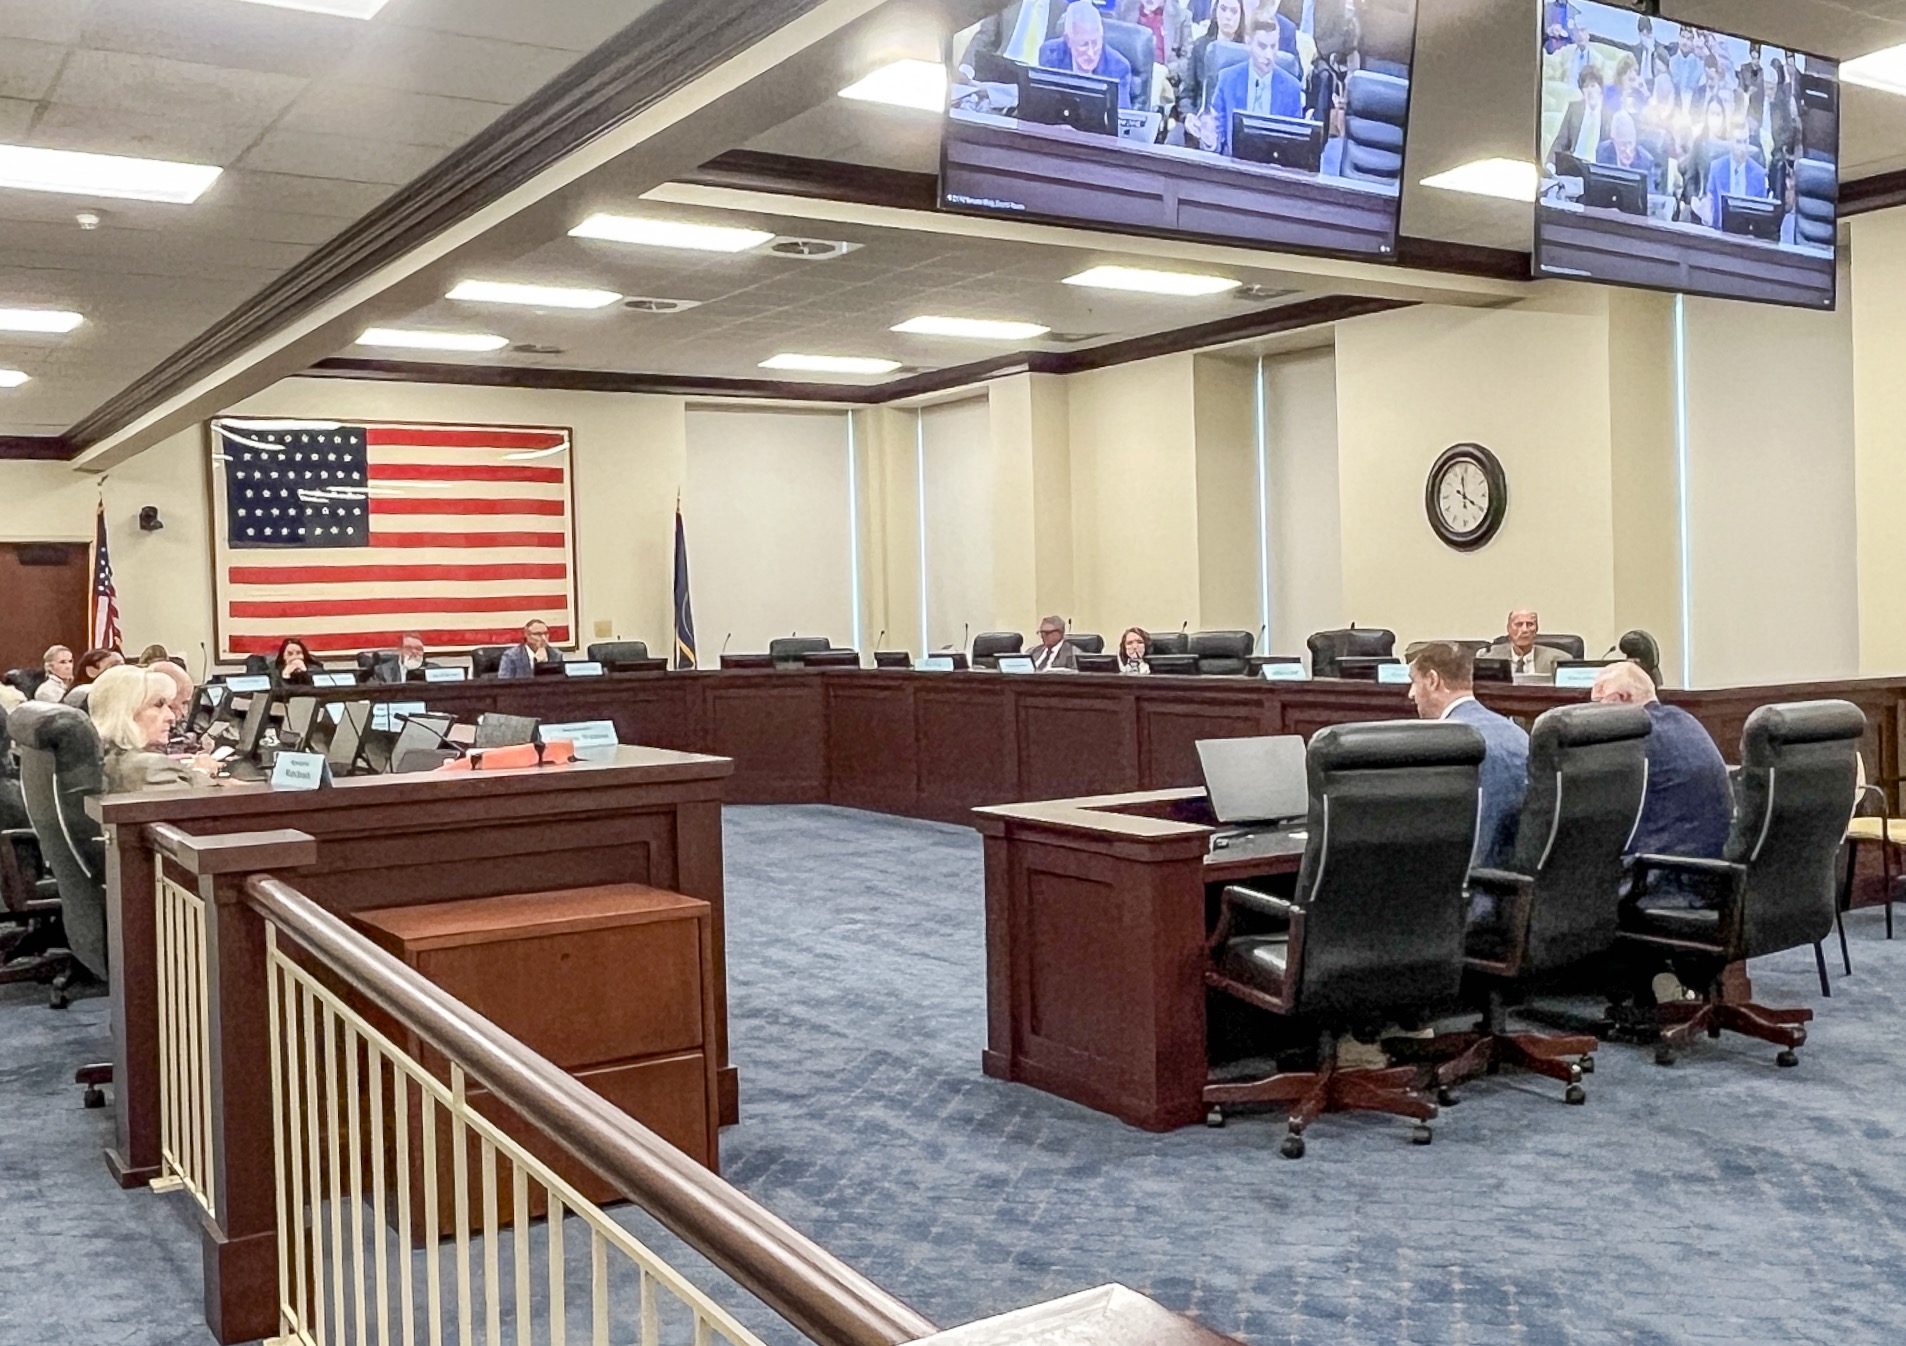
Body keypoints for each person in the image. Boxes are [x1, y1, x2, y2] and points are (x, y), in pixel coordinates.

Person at [1590, 662, 1733, 903]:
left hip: (1663, 882)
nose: (1591, 714)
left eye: (1597, 703)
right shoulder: (1686, 720)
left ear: (1623, 697)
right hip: (1714, 876)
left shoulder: (1635, 737)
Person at [1407, 642, 1528, 870]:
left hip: (1467, 887)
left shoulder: (1445, 743)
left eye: (1414, 682)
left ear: (1433, 680)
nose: (1411, 694)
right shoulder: (1517, 732)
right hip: (1515, 881)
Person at [89, 665, 218, 794]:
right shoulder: (151, 767)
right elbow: (205, 803)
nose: (171, 717)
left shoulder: (102, 757)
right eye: (158, 705)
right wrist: (202, 771)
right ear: (125, 712)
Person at [1206, 10, 1301, 155]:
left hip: (1274, 170)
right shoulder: (1227, 79)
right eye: (1262, 46)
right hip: (1232, 167)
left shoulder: (1292, 88)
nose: (1268, 55)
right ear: (1248, 42)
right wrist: (1209, 139)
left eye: (1273, 46)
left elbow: (1295, 145)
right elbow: (1217, 134)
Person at [1038, 1, 1135, 108]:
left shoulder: (1118, 67)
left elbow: (1121, 117)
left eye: (1095, 43)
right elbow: (1044, 104)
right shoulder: (1051, 54)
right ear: (1068, 40)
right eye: (1083, 45)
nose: (1090, 53)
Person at [1182, 0, 1246, 138]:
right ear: (1215, 12)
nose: (1228, 16)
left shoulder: (1246, 54)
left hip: (1231, 127)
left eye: (1234, 11)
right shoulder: (1200, 46)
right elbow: (1186, 93)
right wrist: (1188, 116)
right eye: (1223, 9)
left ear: (1241, 16)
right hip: (1199, 121)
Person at [960, 0, 1068, 82]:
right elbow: (985, 35)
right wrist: (966, 69)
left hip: (1036, 80)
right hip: (1002, 72)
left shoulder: (1062, 8)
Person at [1114, 0, 1194, 102]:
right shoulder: (1123, 9)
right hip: (1131, 76)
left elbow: (1189, 58)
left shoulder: (1182, 16)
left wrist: (1169, 70)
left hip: (1166, 79)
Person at [1704, 113, 1769, 229]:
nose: (1743, 148)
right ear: (1730, 141)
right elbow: (1711, 205)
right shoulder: (1716, 168)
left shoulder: (1759, 174)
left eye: (1746, 141)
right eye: (1738, 142)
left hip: (1748, 237)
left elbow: (1761, 217)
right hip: (1719, 234)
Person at [1548, 66, 1606, 168]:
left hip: (1596, 169)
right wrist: (1550, 164)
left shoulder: (1609, 115)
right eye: (1586, 87)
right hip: (1573, 164)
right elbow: (1560, 141)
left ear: (1600, 88)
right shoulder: (1574, 109)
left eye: (1593, 86)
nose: (1590, 91)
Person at [1483, 610, 1566, 676]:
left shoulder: (1559, 660)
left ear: (1536, 629)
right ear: (1509, 629)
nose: (1525, 630)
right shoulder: (1490, 658)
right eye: (1519, 624)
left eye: (1530, 624)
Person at [1596, 110, 1655, 188]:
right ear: (1613, 141)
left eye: (1630, 144)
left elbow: (1649, 195)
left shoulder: (1646, 161)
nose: (1628, 151)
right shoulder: (1602, 152)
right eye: (1623, 145)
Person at [498, 619, 564, 678]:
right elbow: (503, 684)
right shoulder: (511, 656)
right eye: (538, 634)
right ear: (527, 635)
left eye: (545, 633)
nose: (543, 638)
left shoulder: (556, 655)